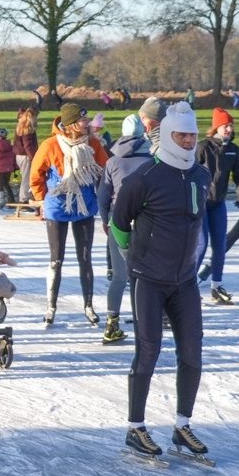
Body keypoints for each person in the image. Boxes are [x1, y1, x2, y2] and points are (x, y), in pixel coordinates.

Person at [110, 101, 211, 462]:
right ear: (167, 135)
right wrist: (131, 260)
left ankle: (183, 426)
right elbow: (118, 223)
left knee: (192, 353)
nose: (187, 141)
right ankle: (135, 427)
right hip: (148, 280)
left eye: (192, 135)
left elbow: (202, 223)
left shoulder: (200, 175)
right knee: (148, 351)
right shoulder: (145, 177)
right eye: (181, 135)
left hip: (185, 281)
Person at [29, 103, 108, 326]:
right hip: (57, 207)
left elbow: (106, 171)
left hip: (84, 207)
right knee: (56, 259)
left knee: (85, 257)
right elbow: (36, 174)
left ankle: (89, 306)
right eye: (83, 120)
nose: (88, 123)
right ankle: (51, 306)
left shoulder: (93, 144)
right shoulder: (51, 145)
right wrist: (42, 198)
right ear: (72, 124)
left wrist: (103, 195)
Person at [97, 112, 155, 345]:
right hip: (146, 222)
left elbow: (103, 195)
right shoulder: (153, 160)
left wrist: (105, 219)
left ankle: (112, 323)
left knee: (119, 276)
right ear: (143, 133)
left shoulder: (112, 161)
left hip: (117, 221)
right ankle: (146, 323)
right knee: (143, 275)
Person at [196, 107, 239, 304]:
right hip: (201, 204)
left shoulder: (233, 150)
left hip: (218, 204)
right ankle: (188, 286)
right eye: (225, 125)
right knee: (200, 245)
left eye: (230, 126)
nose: (228, 129)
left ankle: (216, 287)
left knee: (220, 246)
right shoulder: (203, 147)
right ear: (216, 127)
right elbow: (189, 172)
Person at [13, 108, 38, 206]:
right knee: (27, 178)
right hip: (25, 156)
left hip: (20, 155)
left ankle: (26, 197)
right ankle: (23, 200)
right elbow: (28, 145)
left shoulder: (21, 126)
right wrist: (33, 157)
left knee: (26, 177)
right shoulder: (27, 129)